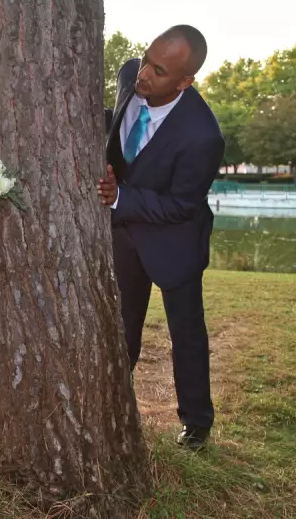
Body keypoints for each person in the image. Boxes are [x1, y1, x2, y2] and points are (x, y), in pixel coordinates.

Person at [98, 25, 225, 451]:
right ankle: (109, 406)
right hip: (124, 236)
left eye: (159, 69)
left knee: (186, 333)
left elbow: (181, 206)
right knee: (121, 329)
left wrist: (122, 197)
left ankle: (197, 423)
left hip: (176, 242)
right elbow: (112, 125)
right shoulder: (129, 74)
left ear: (185, 81)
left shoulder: (203, 135)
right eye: (146, 57)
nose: (144, 75)